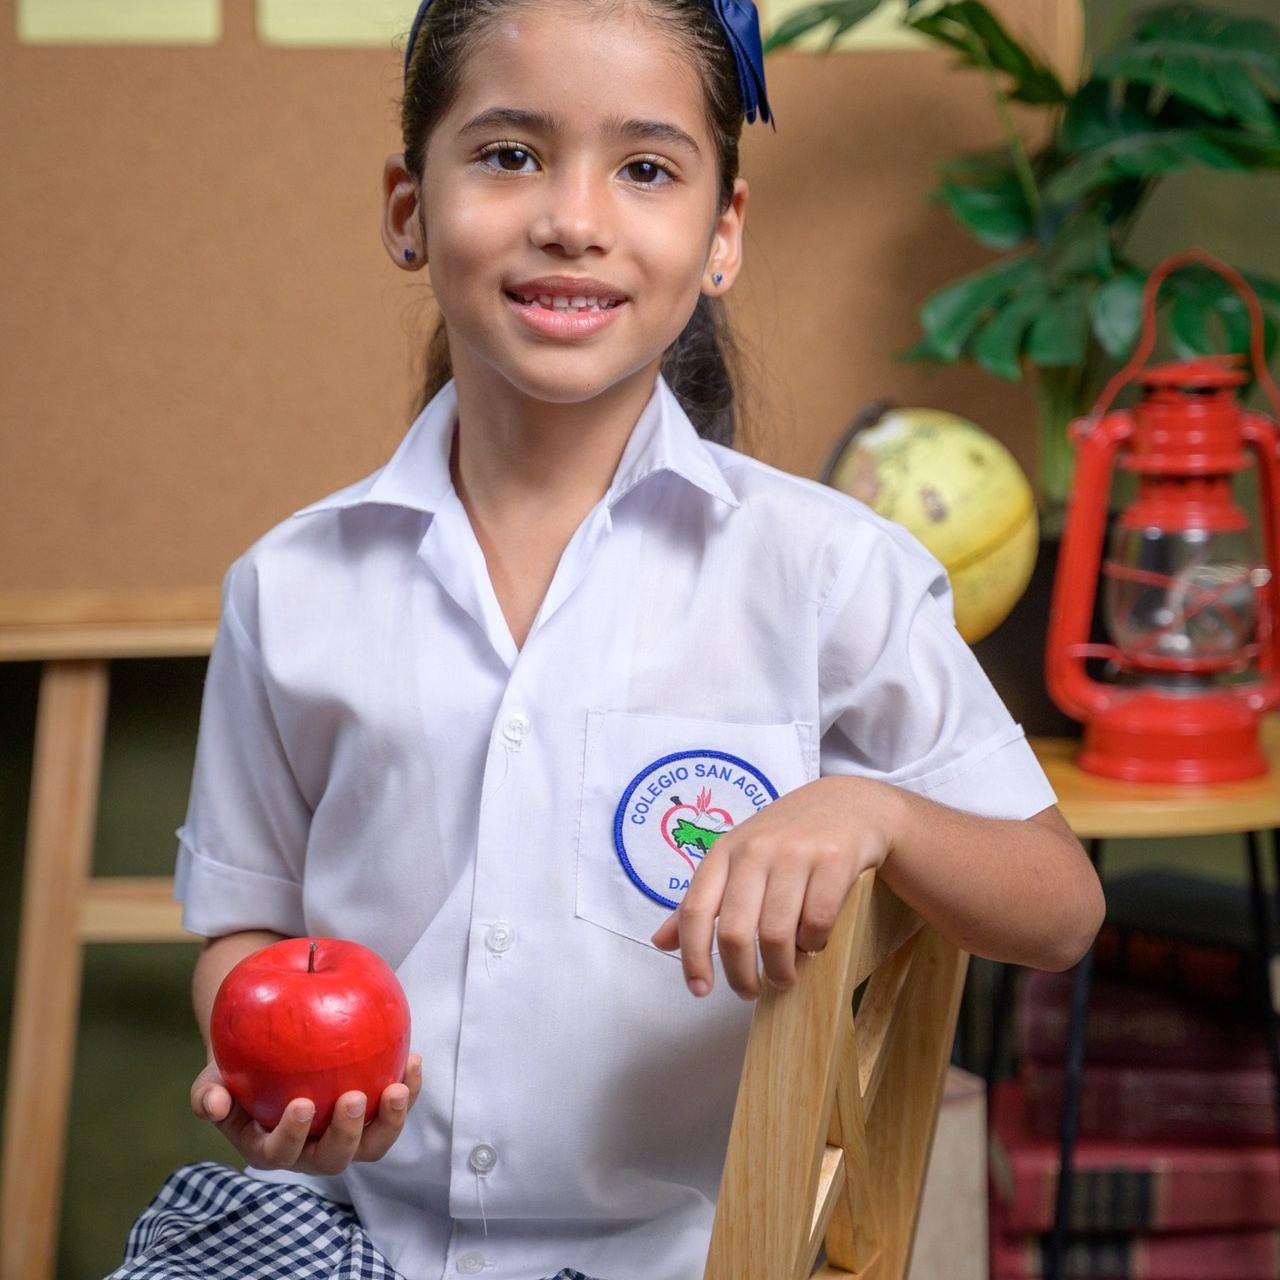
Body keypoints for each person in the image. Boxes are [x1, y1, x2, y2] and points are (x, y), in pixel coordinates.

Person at [112, 1, 1104, 1278]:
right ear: (408, 208)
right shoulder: (293, 587)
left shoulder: (823, 571)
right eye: (509, 154)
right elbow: (242, 931)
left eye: (643, 168)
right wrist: (284, 1083)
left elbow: (1059, 906)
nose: (572, 217)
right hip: (355, 1234)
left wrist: (876, 812)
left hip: (671, 1257)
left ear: (721, 233)